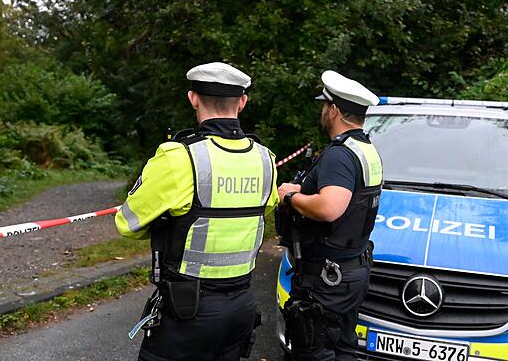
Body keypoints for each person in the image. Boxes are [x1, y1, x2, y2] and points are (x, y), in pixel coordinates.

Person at [116, 62, 280, 361]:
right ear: (242, 102)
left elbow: (128, 223)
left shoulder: (179, 157)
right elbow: (264, 211)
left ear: (193, 98)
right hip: (241, 305)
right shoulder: (265, 159)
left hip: (188, 312)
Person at [277, 70, 383, 361]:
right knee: (342, 347)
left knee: (314, 350)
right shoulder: (365, 149)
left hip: (327, 278)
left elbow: (330, 207)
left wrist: (290, 196)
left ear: (334, 110)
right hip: (351, 269)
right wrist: (304, 188)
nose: (323, 111)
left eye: (325, 106)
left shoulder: (339, 154)